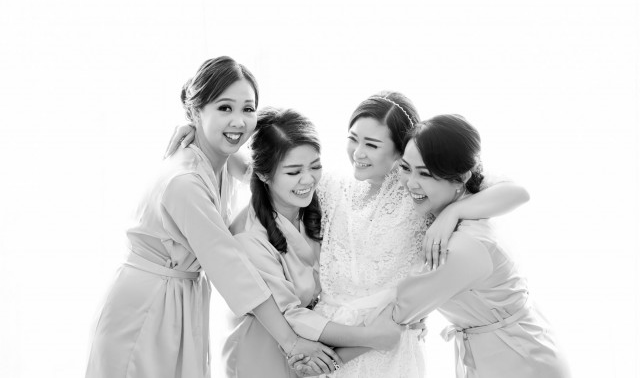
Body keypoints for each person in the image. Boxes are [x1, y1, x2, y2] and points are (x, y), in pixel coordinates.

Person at [166, 92, 530, 377]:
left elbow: (515, 191)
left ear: (400, 150)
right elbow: (267, 169)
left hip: (385, 346)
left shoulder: (418, 194)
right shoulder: (332, 187)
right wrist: (202, 136)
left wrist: (453, 212)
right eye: (353, 139)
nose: (358, 153)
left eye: (372, 145)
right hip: (330, 339)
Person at [85, 57, 340, 378]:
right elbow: (230, 267)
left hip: (178, 298)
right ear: (196, 110)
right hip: (146, 306)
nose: (238, 121)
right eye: (224, 108)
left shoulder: (220, 159)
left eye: (248, 109)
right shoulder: (186, 182)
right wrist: (291, 342)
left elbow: (265, 172)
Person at [222, 107, 404, 378]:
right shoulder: (248, 237)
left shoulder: (317, 199)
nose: (308, 179)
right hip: (261, 349)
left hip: (312, 343)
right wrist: (371, 336)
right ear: (263, 175)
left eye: (315, 166)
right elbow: (289, 313)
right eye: (294, 172)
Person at [393, 114, 571, 378]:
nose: (410, 182)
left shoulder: (462, 245)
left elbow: (401, 310)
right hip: (513, 349)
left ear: (461, 177)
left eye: (425, 174)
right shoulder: (476, 198)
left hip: (518, 362)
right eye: (405, 168)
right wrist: (451, 211)